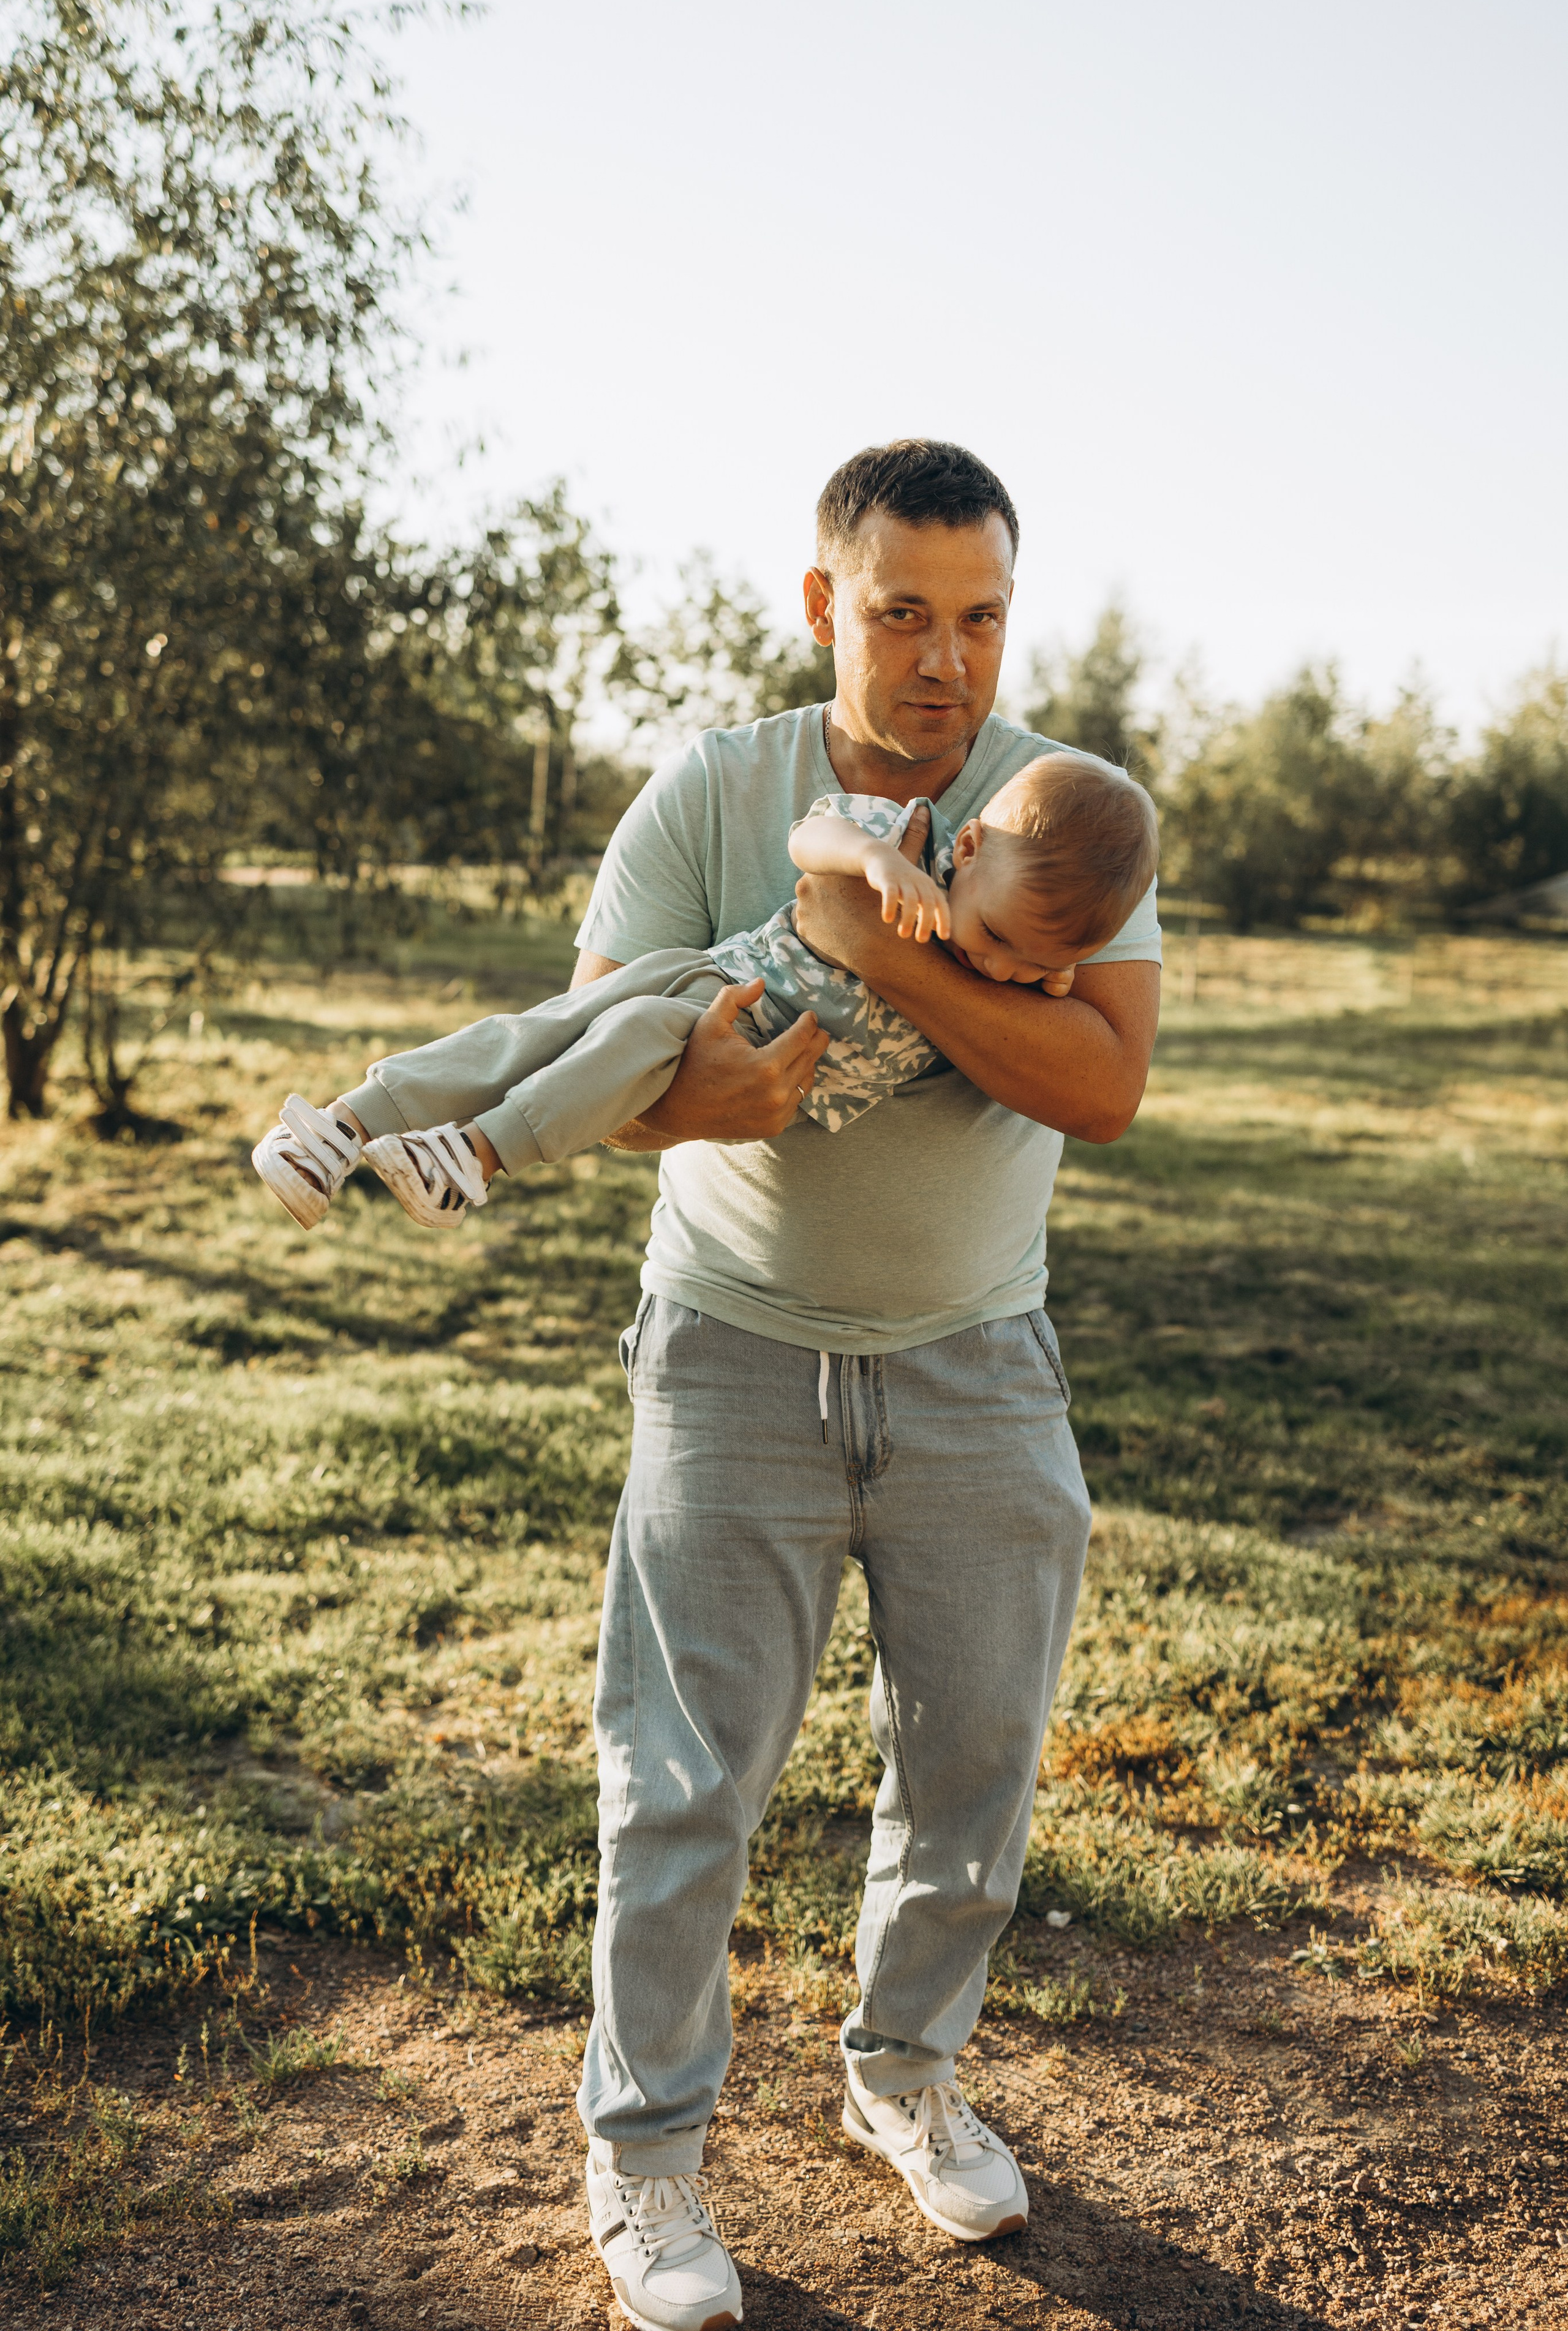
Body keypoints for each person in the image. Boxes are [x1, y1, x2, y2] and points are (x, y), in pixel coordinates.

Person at [272, 437, 1162, 2331]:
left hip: (981, 1369)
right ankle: (649, 2156)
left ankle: (907, 2078)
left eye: (983, 618)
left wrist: (889, 966)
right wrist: (711, 1091)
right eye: (906, 612)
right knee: (679, 1790)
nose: (948, 660)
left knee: (975, 1769)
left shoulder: (1063, 813)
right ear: (828, 600)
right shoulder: (716, 789)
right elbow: (606, 1047)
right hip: (731, 1355)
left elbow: (1102, 1082)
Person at [251, 754, 1158, 1236]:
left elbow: (1085, 1058)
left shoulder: (1031, 953)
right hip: (726, 979)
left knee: (621, 1031)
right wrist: (874, 863)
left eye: (1030, 966)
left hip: (750, 1040)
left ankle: (468, 1158)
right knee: (552, 1026)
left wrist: (1040, 971)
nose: (1000, 970)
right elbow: (813, 840)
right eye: (995, 937)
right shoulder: (909, 842)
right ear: (968, 853)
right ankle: (347, 1128)